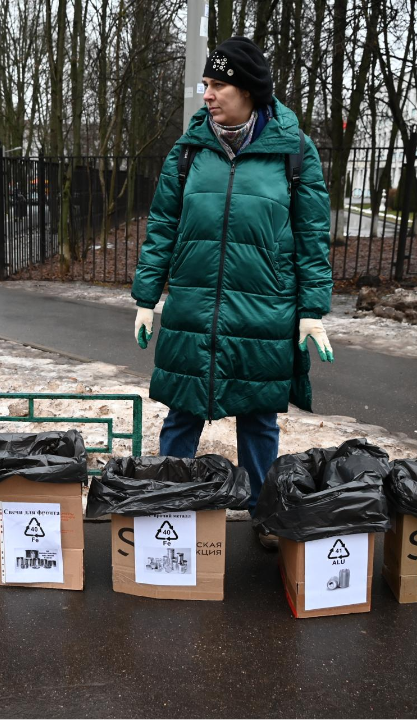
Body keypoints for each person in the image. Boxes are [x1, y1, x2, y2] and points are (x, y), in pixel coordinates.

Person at [130, 37, 334, 548]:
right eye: (206, 84)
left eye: (218, 85)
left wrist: (312, 310)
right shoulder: (190, 149)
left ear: (248, 89)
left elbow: (312, 237)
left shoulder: (293, 150)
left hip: (263, 308)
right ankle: (165, 505)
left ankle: (265, 514)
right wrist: (146, 296)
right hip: (194, 304)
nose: (208, 95)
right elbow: (162, 226)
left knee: (259, 417)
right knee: (181, 410)